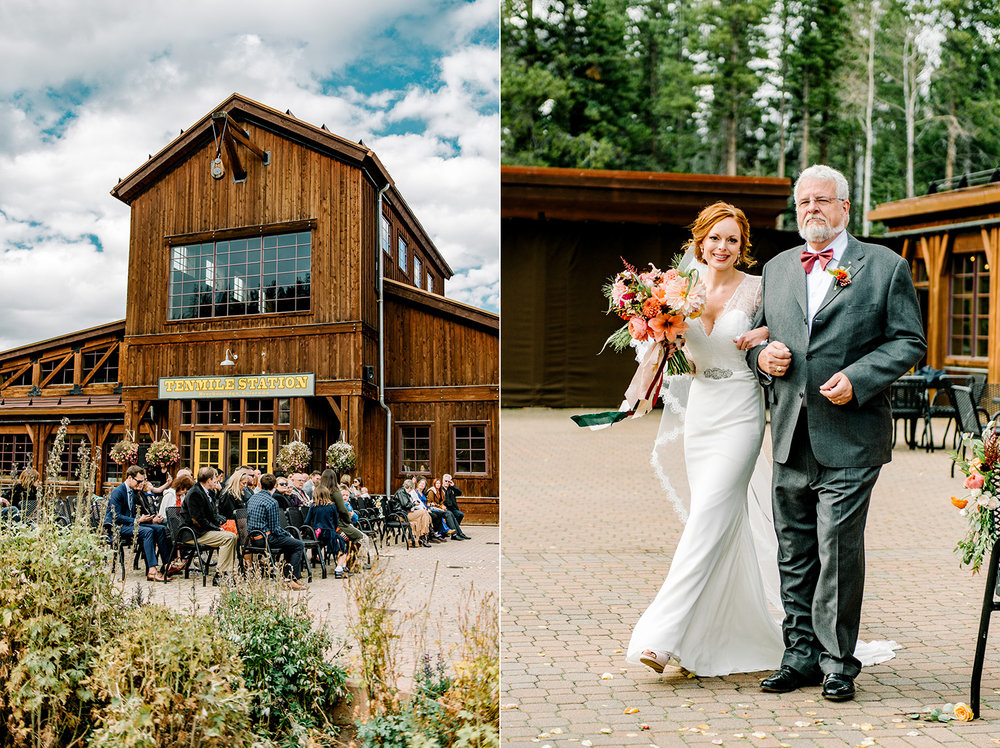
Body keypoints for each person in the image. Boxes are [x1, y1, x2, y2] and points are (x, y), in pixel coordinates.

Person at [749, 165, 926, 701]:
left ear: (845, 208)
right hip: (788, 434)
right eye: (803, 202)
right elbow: (760, 337)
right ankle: (798, 655)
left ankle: (836, 662)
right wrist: (764, 356)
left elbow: (908, 342)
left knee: (838, 550)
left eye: (822, 201)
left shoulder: (884, 267)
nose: (811, 211)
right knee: (794, 549)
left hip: (850, 436)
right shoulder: (778, 268)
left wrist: (860, 378)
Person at [105, 465, 171, 582]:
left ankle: (167, 565)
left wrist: (150, 518)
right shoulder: (118, 492)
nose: (141, 484)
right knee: (147, 532)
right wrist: (136, 520)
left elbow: (139, 513)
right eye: (139, 481)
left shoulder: (134, 492)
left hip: (130, 525)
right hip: (116, 527)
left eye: (142, 481)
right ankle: (152, 570)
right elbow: (116, 516)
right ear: (130, 478)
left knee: (160, 529)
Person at [179, 466, 238, 585]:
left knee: (232, 536)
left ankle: (227, 573)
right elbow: (197, 520)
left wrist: (222, 522)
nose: (217, 482)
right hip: (193, 533)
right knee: (228, 538)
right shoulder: (195, 493)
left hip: (201, 530)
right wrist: (217, 529)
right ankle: (220, 576)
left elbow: (212, 514)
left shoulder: (206, 492)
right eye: (215, 479)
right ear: (209, 480)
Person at [247, 473, 305, 590]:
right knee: (298, 544)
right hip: (265, 539)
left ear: (261, 484)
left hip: (252, 538)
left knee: (290, 544)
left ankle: (291, 577)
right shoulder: (272, 501)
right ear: (274, 485)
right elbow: (275, 529)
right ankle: (290, 578)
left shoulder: (252, 498)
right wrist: (288, 535)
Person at [442, 474, 469, 539]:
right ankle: (455, 533)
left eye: (449, 481)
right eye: (446, 481)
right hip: (445, 508)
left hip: (452, 508)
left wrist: (453, 486)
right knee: (451, 516)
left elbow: (459, 493)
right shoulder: (440, 489)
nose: (447, 483)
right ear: (442, 480)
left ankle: (457, 531)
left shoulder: (451, 489)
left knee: (460, 514)